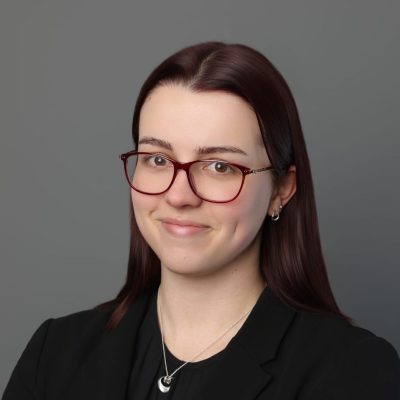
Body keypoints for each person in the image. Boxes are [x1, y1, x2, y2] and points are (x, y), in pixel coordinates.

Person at [3, 41, 400, 400]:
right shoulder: (54, 353)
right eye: (157, 159)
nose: (179, 196)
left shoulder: (353, 372)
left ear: (282, 189)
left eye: (219, 166)